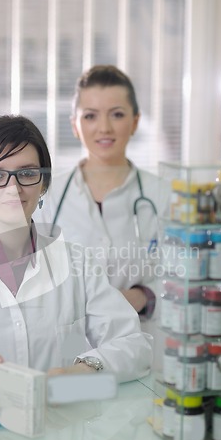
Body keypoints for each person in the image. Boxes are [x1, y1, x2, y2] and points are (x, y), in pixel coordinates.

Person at [0, 114, 152, 404]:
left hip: (59, 435)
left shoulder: (77, 262)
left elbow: (135, 346)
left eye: (27, 173)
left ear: (43, 183)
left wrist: (87, 369)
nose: (13, 189)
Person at [34, 65, 170, 325]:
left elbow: (184, 277)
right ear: (75, 125)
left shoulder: (162, 195)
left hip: (141, 339)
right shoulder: (48, 195)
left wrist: (144, 295)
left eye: (117, 114)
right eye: (90, 116)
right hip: (68, 344)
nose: (104, 127)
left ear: (135, 122)